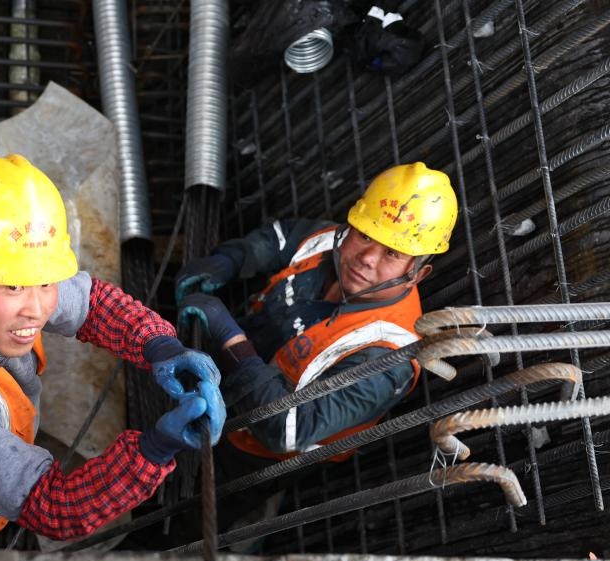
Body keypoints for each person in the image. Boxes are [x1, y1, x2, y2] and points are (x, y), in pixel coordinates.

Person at [0, 153, 226, 550]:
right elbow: (57, 506)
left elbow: (92, 304)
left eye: (44, 283)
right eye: (13, 287)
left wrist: (159, 346)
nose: (38, 310)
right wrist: (155, 449)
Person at [176, 162, 457, 464]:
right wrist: (231, 259)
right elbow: (279, 238)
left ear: (418, 274)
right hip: (220, 369)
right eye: (364, 236)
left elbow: (286, 430)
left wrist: (229, 338)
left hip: (249, 450)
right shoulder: (331, 241)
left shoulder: (387, 360)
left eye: (392, 253)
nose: (366, 259)